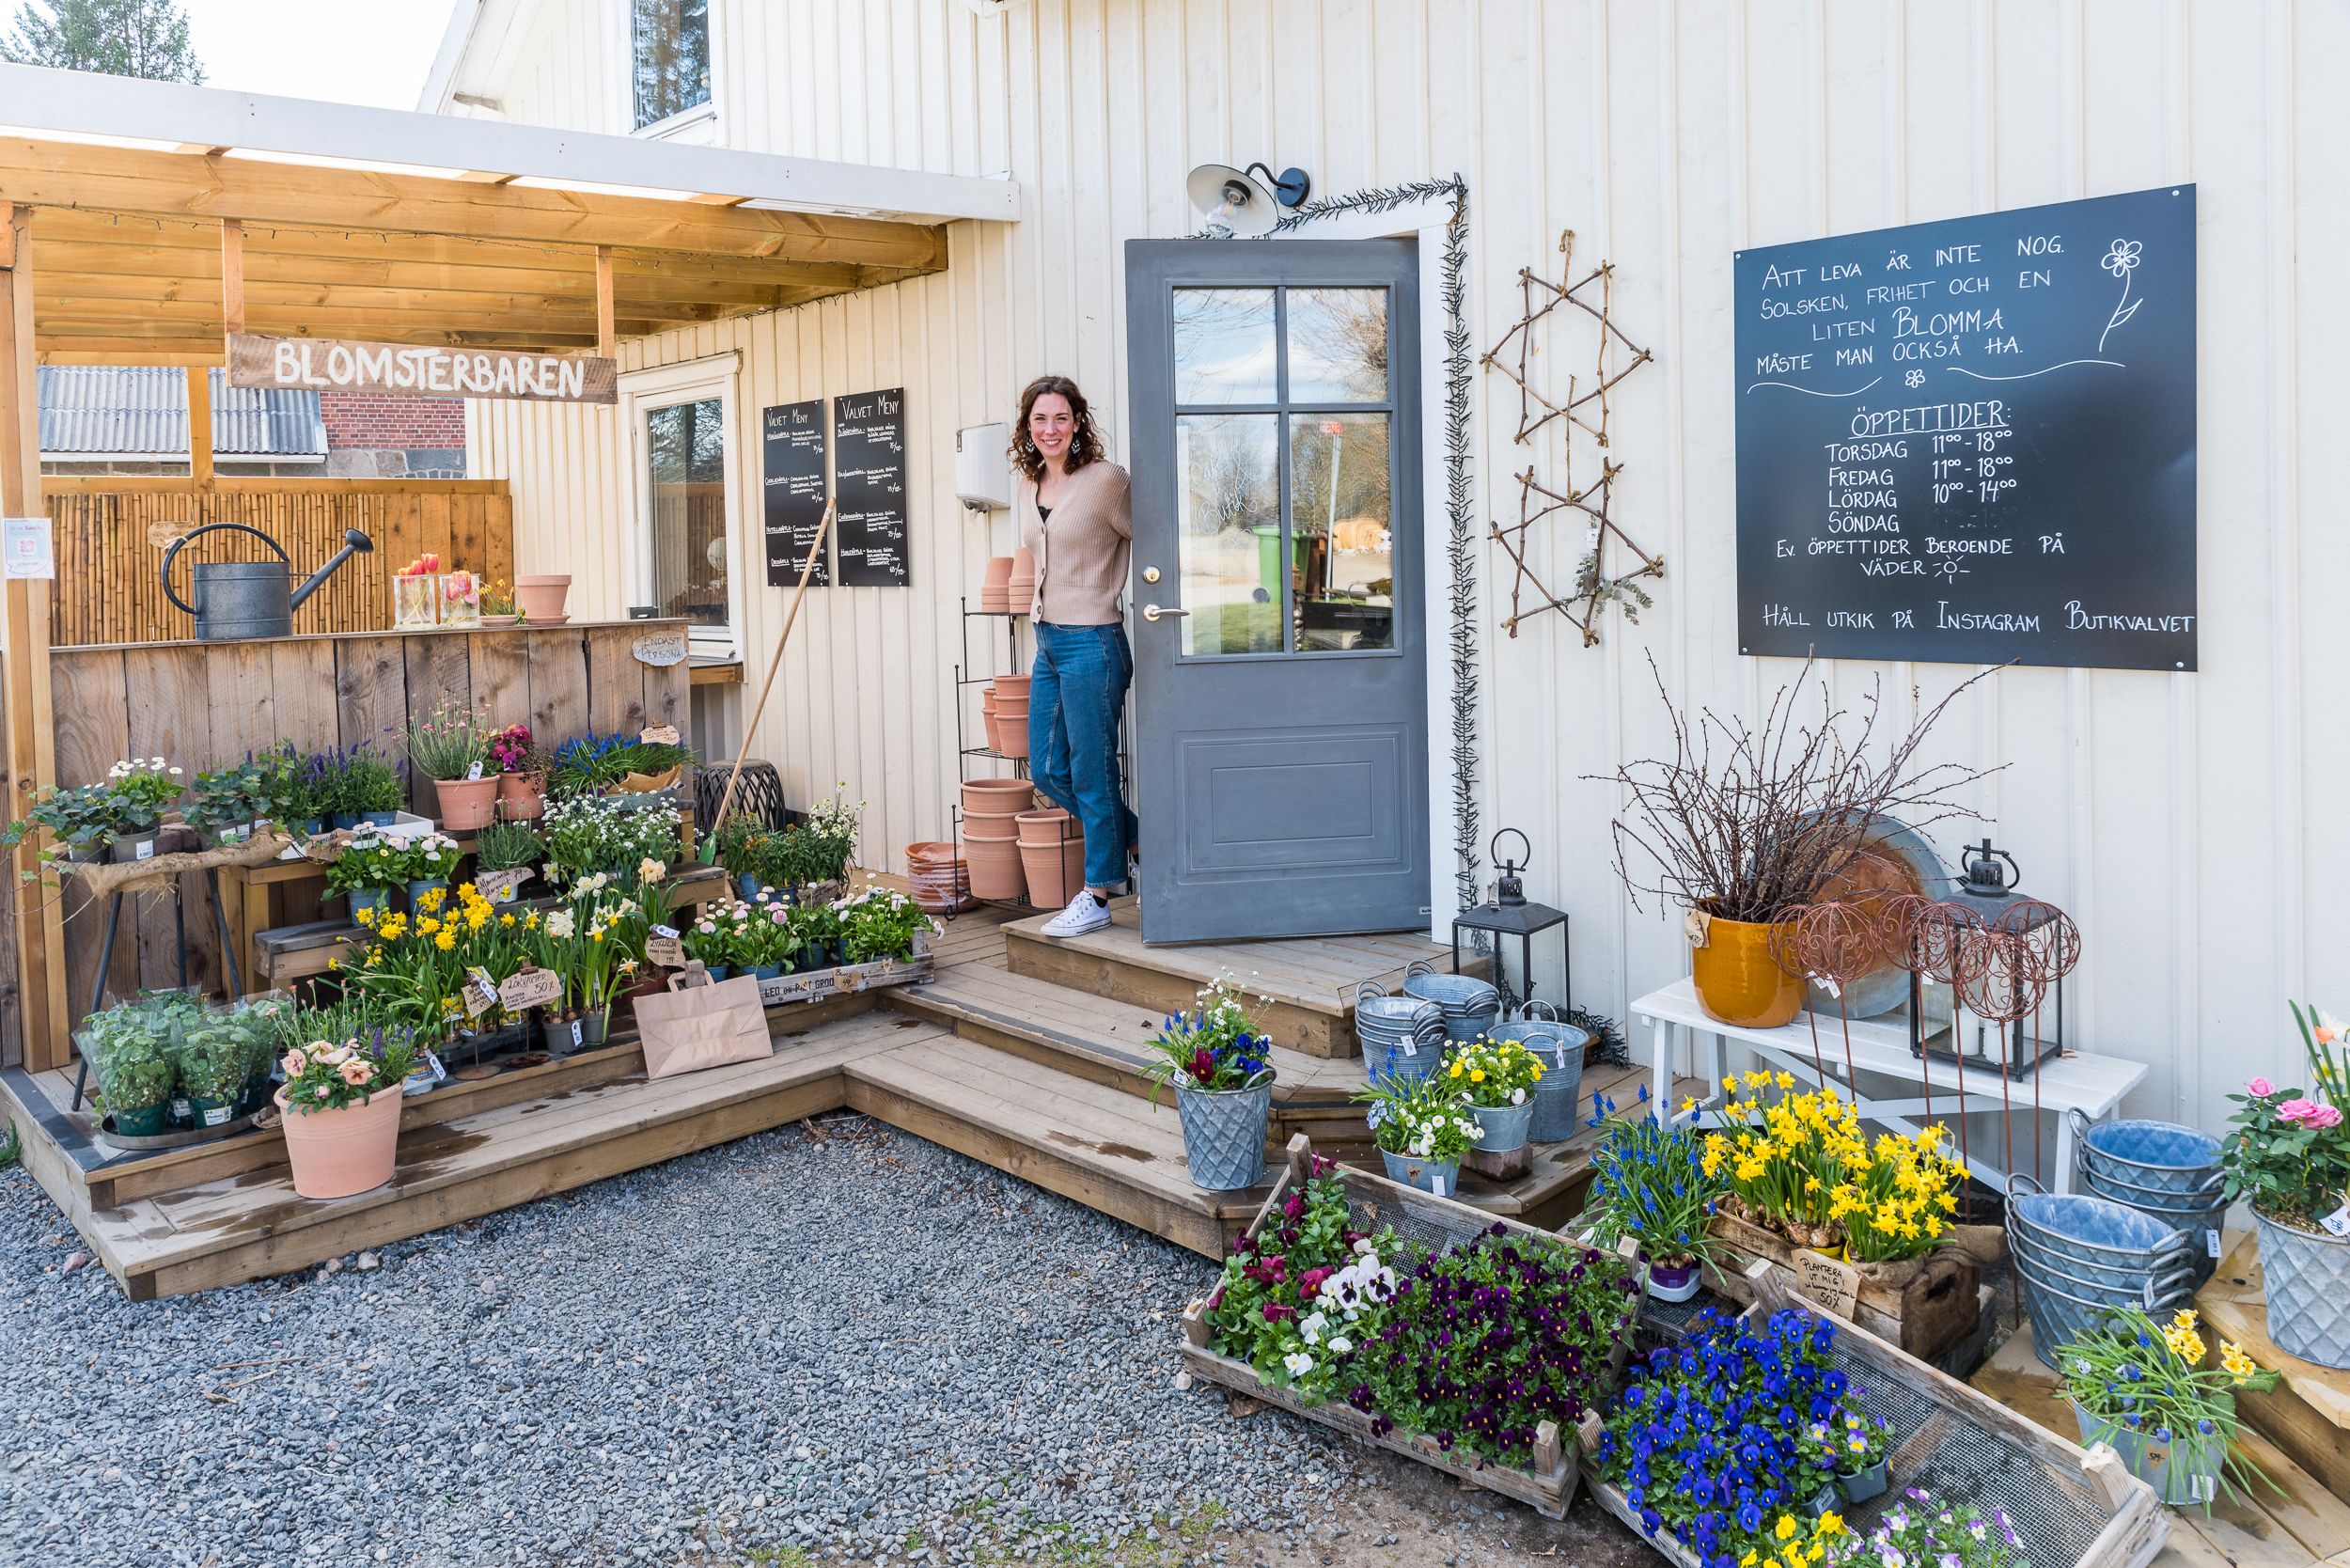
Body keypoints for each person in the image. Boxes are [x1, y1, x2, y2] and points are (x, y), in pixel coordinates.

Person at [1010, 373, 1136, 938]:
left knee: (1091, 771)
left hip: (1094, 641)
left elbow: (1153, 540)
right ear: (1028, 427)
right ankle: (1142, 845)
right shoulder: (1032, 483)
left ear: (1078, 421)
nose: (1051, 428)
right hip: (1049, 642)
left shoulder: (1106, 480)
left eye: (1061, 417)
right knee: (1048, 768)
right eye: (1040, 419)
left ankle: (1097, 894)